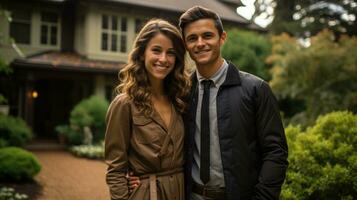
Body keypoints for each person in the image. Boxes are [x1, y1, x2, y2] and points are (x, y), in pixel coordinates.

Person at [129, 6, 288, 200]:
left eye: (207, 35)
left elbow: (275, 153)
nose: (200, 43)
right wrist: (136, 175)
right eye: (192, 38)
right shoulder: (180, 92)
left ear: (222, 38)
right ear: (186, 46)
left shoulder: (256, 89)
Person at [104, 18, 190, 200]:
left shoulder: (181, 100)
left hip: (182, 192)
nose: (163, 59)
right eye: (156, 50)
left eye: (171, 53)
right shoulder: (125, 104)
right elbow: (115, 170)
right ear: (142, 54)